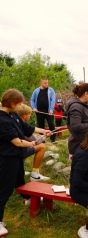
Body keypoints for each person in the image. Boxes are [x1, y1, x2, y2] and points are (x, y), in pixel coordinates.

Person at [0, 89, 51, 236]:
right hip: (6, 160)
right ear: (11, 103)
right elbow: (16, 142)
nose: (20, 106)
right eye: (19, 103)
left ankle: (28, 198)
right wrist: (33, 144)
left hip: (16, 158)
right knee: (4, 190)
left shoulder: (13, 115)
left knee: (20, 182)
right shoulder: (2, 120)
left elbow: (27, 128)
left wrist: (43, 131)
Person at [17, 104, 50, 182]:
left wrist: (40, 133)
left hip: (15, 150)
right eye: (29, 114)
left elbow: (31, 135)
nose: (30, 116)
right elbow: (36, 141)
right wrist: (45, 136)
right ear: (24, 116)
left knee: (26, 148)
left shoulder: (16, 122)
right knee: (41, 146)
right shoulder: (22, 125)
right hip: (17, 152)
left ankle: (20, 170)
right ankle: (35, 175)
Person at [30, 77, 56, 143]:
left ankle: (53, 139)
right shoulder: (36, 91)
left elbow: (53, 100)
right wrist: (34, 108)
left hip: (49, 111)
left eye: (47, 83)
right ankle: (42, 140)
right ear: (41, 83)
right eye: (44, 83)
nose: (46, 84)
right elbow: (32, 100)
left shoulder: (51, 90)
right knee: (40, 126)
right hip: (39, 111)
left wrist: (51, 109)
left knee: (51, 124)